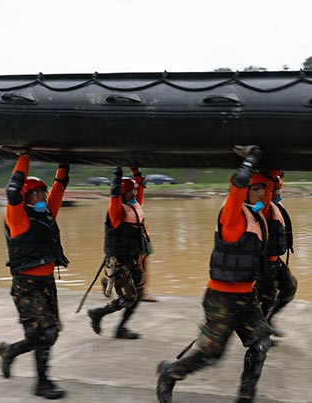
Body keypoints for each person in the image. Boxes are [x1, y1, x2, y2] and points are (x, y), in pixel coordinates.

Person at [157, 146, 272, 403]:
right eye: (256, 189)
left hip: (246, 297)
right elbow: (239, 182)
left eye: (262, 189)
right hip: (222, 298)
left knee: (261, 344)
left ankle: (245, 396)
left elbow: (271, 182)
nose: (262, 193)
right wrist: (251, 158)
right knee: (212, 354)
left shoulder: (257, 217)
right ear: (243, 192)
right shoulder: (232, 216)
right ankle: (170, 373)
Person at [0, 150, 70, 399]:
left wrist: (65, 159)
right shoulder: (17, 218)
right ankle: (42, 384)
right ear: (25, 196)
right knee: (46, 330)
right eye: (36, 193)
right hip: (27, 285)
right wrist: (25, 155)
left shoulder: (46, 214)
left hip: (47, 283)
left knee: (45, 334)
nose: (42, 196)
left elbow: (60, 187)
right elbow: (13, 188)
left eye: (43, 192)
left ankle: (10, 351)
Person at [88, 167, 149, 339]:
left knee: (140, 293)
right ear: (122, 194)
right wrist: (117, 174)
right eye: (130, 192)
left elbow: (141, 185)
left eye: (135, 191)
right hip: (119, 260)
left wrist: (135, 169)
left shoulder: (134, 204)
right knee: (128, 297)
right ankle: (98, 313)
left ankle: (121, 328)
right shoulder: (116, 212)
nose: (135, 195)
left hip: (133, 257)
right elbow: (114, 196)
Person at [256, 170, 298, 337]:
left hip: (275, 261)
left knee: (290, 287)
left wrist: (281, 171)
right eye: (275, 190)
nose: (279, 192)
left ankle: (268, 321)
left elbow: (277, 181)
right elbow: (269, 182)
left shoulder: (276, 205)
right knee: (267, 299)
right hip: (263, 265)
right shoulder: (262, 207)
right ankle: (260, 335)